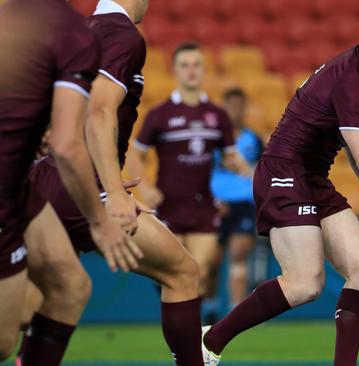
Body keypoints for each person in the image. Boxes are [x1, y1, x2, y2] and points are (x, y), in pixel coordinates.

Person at [201, 3, 359, 365]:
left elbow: (356, 148)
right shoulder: (355, 79)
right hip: (284, 173)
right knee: (305, 283)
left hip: (311, 177)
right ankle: (210, 341)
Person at [28, 1, 205, 365]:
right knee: (182, 273)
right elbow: (99, 110)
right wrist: (115, 193)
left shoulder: (78, 30)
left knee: (57, 295)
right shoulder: (123, 35)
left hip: (43, 181)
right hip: (81, 187)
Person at [0, 0, 132, 363]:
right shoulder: (72, 31)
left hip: (18, 181)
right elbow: (67, 146)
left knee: (69, 286)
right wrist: (100, 220)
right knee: (1, 340)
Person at [128, 43, 249, 304]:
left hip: (204, 206)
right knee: (174, 277)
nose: (191, 71)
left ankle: (189, 339)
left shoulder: (217, 116)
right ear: (175, 70)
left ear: (203, 69)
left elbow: (229, 156)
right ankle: (181, 335)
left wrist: (246, 169)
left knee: (198, 273)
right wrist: (146, 188)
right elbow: (135, 153)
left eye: (196, 65)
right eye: (185, 65)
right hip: (169, 206)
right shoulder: (160, 115)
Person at [209, 88, 264, 314]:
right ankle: (209, 308)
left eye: (239, 105)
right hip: (215, 203)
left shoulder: (253, 139)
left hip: (244, 203)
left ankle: (236, 313)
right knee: (211, 262)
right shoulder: (213, 139)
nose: (235, 110)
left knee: (238, 258)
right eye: (231, 105)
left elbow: (263, 171)